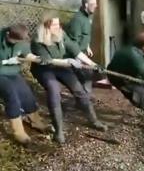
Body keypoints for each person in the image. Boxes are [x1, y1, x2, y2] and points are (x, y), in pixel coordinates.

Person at [30, 14, 107, 144]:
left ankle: (94, 121)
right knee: (54, 91)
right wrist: (68, 61)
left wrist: (93, 65)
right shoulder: (37, 41)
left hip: (62, 67)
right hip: (44, 69)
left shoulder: (61, 34)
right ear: (46, 26)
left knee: (79, 90)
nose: (58, 27)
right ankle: (59, 130)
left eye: (58, 24)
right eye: (54, 25)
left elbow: (76, 51)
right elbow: (48, 61)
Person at [0, 24, 48, 144]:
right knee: (11, 94)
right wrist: (5, 61)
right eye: (14, 41)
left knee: (26, 93)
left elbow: (27, 54)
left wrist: (37, 58)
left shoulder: (22, 39)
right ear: (7, 35)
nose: (17, 43)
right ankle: (18, 132)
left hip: (13, 72)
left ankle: (36, 122)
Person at [64, 0, 97, 96]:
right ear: (86, 5)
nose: (96, 6)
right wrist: (79, 57)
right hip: (75, 54)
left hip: (82, 52)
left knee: (87, 75)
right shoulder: (77, 20)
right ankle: (84, 98)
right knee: (85, 74)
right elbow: (73, 41)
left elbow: (84, 34)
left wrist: (87, 47)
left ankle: (85, 96)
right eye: (93, 4)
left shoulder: (87, 17)